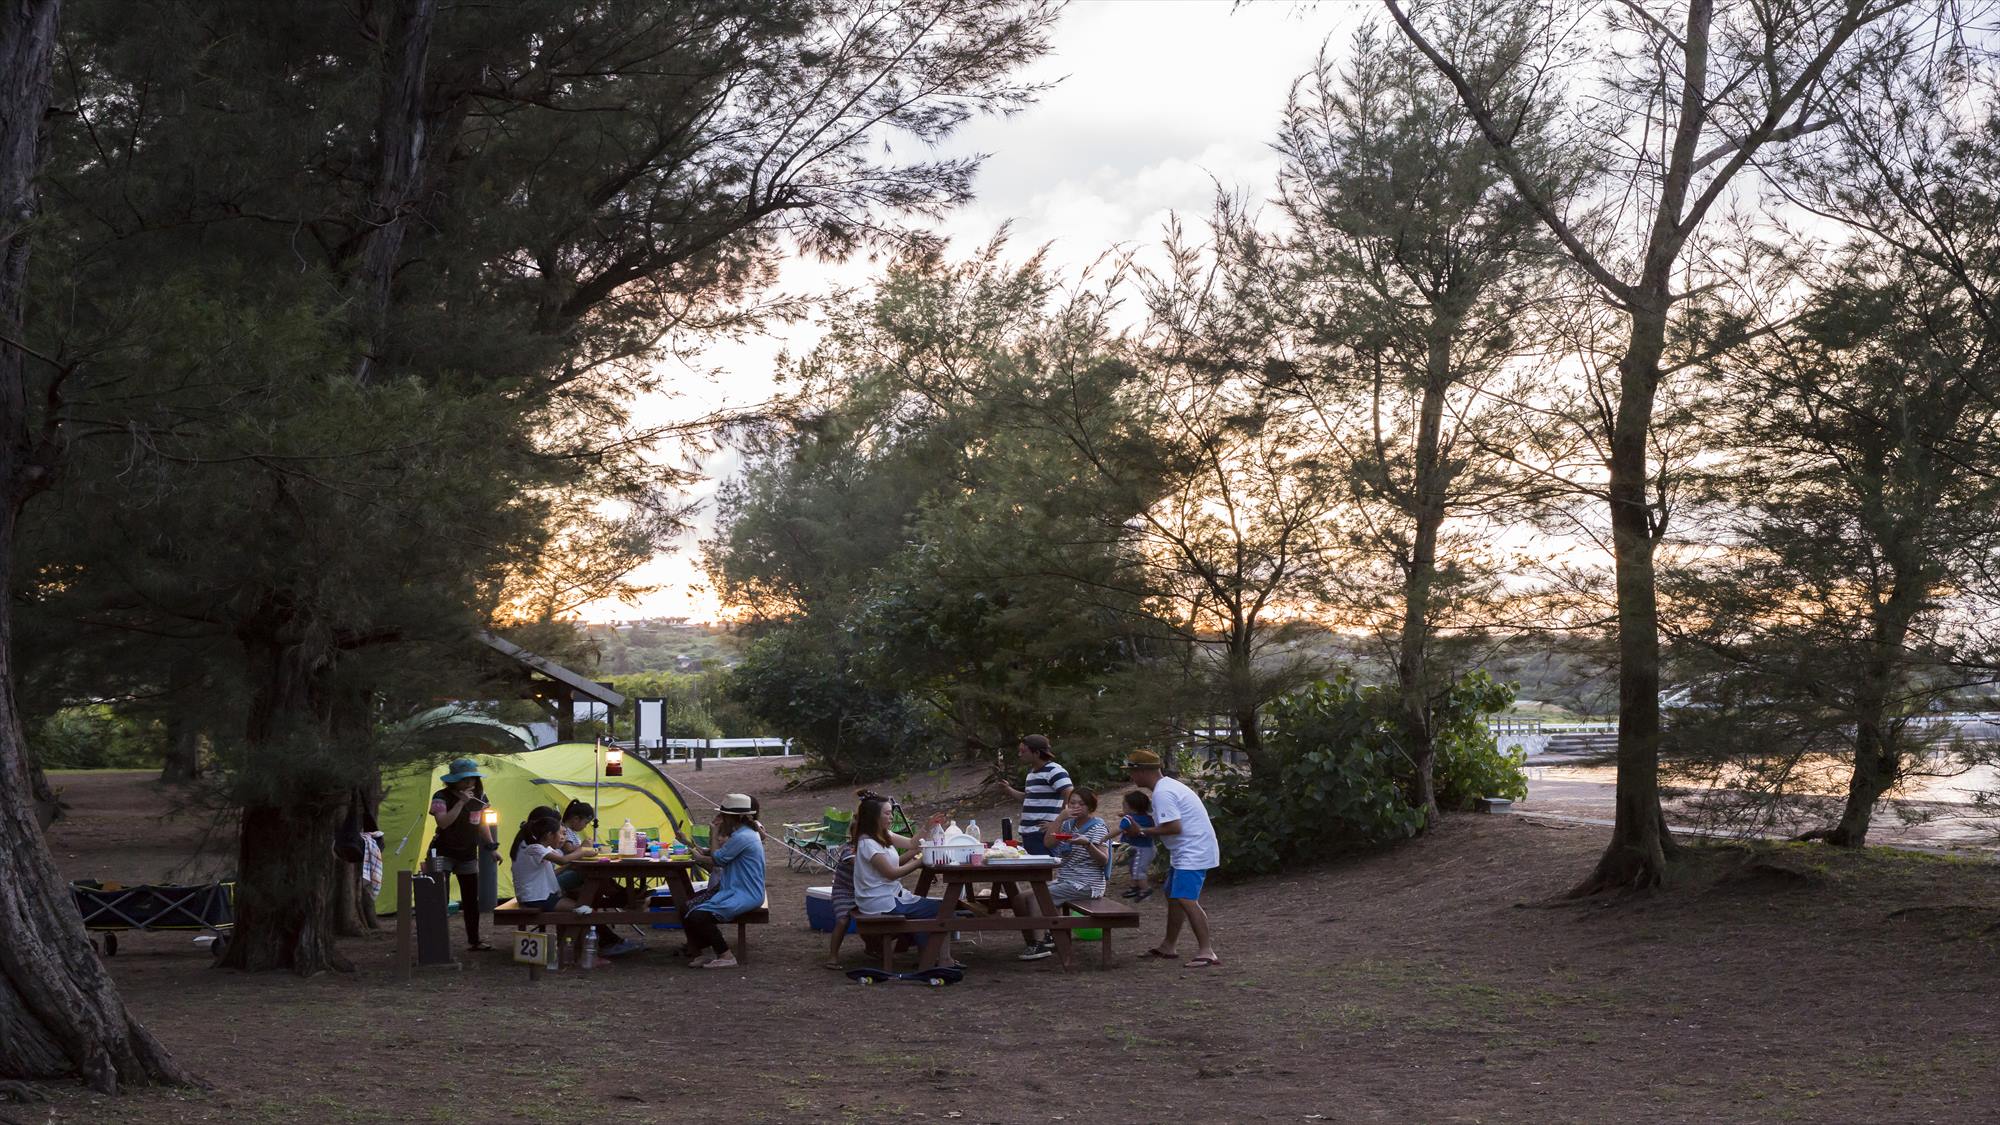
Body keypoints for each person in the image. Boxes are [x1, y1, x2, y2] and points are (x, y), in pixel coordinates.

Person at [1122, 749, 1221, 967]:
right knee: (1172, 895)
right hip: (1185, 850)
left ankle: (1207, 951)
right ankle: (1169, 945)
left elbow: (1174, 827)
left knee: (1186, 899)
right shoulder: (1166, 788)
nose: (1131, 777)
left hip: (1193, 851)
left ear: (1142, 771)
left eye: (1132, 771)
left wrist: (1141, 832)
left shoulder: (1162, 793)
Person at [849, 794, 950, 961]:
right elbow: (891, 873)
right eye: (887, 813)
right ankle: (939, 958)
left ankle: (931, 956)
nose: (892, 817)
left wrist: (927, 828)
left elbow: (911, 844)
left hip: (887, 896)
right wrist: (919, 862)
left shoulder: (882, 834)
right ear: (875, 817)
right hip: (879, 902)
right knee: (943, 910)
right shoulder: (868, 843)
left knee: (937, 909)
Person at [673, 793, 767, 970]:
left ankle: (725, 955)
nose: (721, 819)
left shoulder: (744, 836)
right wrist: (688, 842)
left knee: (699, 914)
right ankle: (699, 953)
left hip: (745, 892)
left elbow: (717, 860)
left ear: (733, 817)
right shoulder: (742, 833)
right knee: (687, 907)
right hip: (731, 887)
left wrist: (714, 833)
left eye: (723, 815)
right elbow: (713, 854)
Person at [1021, 787, 1110, 961]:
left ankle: (1038, 945)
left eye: (1081, 804)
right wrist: (1061, 817)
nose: (1075, 807)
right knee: (1022, 897)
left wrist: (1088, 845)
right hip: (1066, 879)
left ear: (1090, 807)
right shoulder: (1068, 824)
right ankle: (1049, 935)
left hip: (1086, 884)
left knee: (1036, 897)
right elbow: (1048, 842)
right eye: (1072, 803)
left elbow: (1103, 860)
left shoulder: (1098, 827)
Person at [550, 799, 637, 957]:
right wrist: (584, 848)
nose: (586, 826)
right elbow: (569, 851)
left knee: (600, 878)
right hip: (562, 877)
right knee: (597, 878)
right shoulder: (564, 831)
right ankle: (627, 898)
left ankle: (627, 897)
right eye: (586, 822)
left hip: (564, 873)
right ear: (576, 819)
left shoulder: (569, 832)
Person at [429, 758, 497, 951]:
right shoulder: (440, 797)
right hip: (443, 852)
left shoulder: (480, 797)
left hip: (468, 853)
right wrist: (460, 803)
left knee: (470, 899)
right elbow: (443, 823)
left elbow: (481, 824)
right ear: (453, 781)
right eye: (464, 780)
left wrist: (492, 847)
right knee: (439, 899)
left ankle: (474, 940)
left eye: (472, 779)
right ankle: (437, 942)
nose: (470, 784)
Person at [996, 734, 1072, 856]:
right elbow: (1028, 799)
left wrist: (1057, 823)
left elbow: (1070, 793)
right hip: (1029, 834)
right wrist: (1008, 789)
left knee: (1042, 872)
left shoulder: (1054, 770)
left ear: (1036, 753)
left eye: (1023, 751)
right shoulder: (1032, 773)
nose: (1020, 754)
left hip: (1043, 833)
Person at [508, 814, 588, 911]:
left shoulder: (541, 848)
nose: (563, 838)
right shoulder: (534, 848)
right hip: (536, 898)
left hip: (537, 896)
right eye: (561, 833)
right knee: (583, 910)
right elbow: (562, 860)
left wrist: (571, 863)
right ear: (550, 835)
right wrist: (583, 850)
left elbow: (552, 871)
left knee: (582, 904)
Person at [1117, 789, 1156, 900]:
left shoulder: (1132, 819)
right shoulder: (1146, 818)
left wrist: (1106, 837)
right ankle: (1135, 886)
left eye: (1124, 805)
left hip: (1142, 849)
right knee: (1133, 867)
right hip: (1139, 848)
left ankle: (1145, 889)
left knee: (1138, 870)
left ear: (1132, 807)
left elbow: (1119, 829)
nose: (1123, 807)